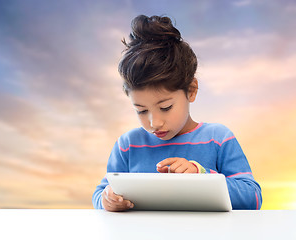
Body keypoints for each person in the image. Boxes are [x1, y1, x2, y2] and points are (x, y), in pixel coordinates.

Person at [92, 15, 262, 212]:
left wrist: (202, 176)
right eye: (141, 110)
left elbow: (253, 198)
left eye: (165, 107)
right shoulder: (128, 145)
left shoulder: (217, 138)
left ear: (191, 90)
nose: (154, 122)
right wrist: (107, 201)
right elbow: (101, 194)